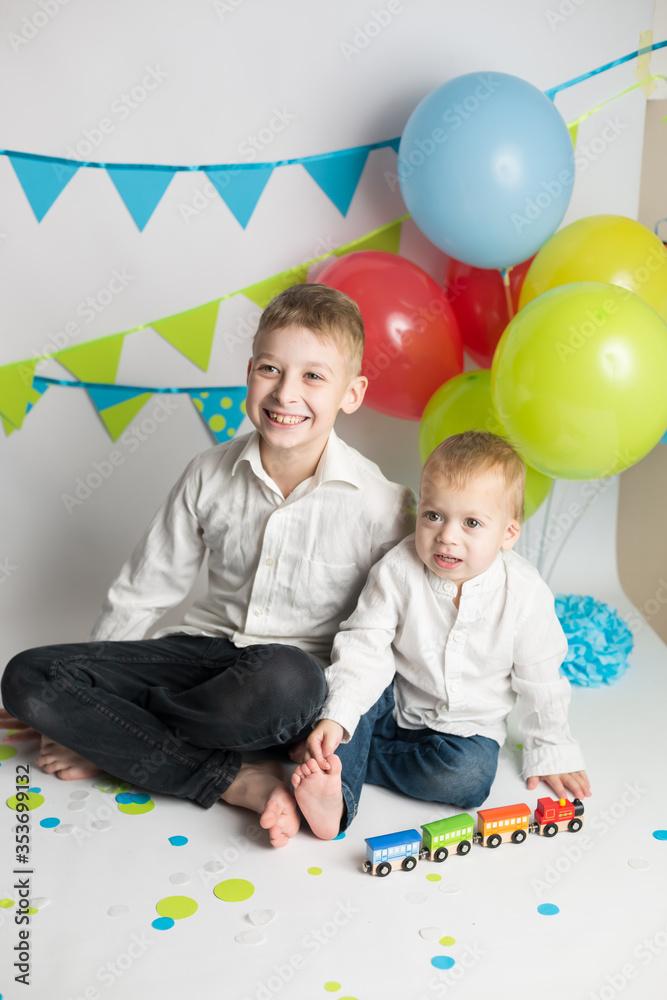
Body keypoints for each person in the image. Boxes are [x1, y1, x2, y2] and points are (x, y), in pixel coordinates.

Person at [0, 283, 414, 848]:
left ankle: (115, 734)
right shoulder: (209, 473)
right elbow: (144, 589)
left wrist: (93, 721)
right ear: (249, 372)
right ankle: (237, 778)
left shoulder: (384, 504)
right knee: (29, 676)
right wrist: (99, 672)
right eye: (270, 368)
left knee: (288, 680)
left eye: (313, 376)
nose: (285, 393)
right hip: (207, 657)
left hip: (293, 682)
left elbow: (385, 633)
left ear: (352, 392)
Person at [291, 431, 591, 840]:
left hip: (466, 727)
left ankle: (348, 758)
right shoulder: (398, 569)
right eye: (433, 515)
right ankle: (336, 794)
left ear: (508, 534)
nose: (447, 535)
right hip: (393, 697)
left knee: (468, 780)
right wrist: (340, 715)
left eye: (471, 523)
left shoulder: (524, 594)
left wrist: (551, 749)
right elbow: (365, 645)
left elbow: (541, 679)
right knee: (344, 705)